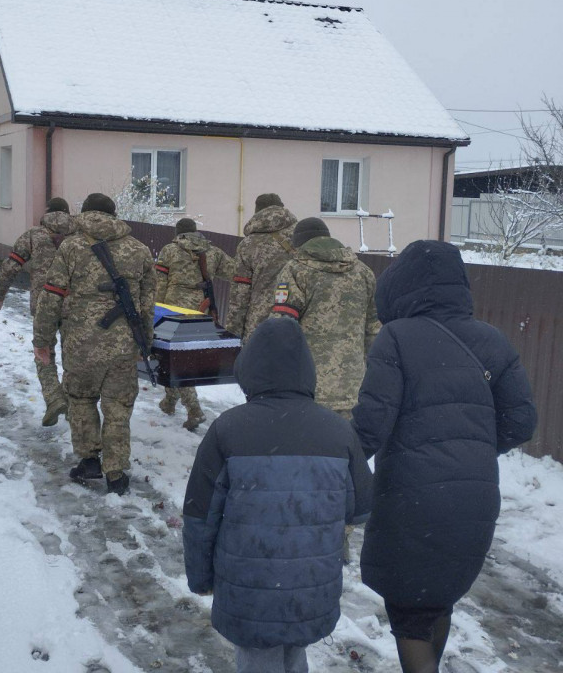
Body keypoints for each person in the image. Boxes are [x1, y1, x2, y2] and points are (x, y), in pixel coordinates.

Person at [351, 240, 537, 673]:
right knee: (438, 598)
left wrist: (327, 456)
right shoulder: (493, 339)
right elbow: (521, 423)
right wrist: (468, 449)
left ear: (401, 287)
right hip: (475, 498)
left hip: (411, 499)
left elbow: (370, 427)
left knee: (409, 615)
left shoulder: (396, 337)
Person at [183, 318, 372, 673]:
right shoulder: (338, 431)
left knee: (258, 659)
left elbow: (199, 516)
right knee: (293, 653)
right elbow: (360, 507)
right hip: (312, 588)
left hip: (249, 589)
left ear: (249, 370)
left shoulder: (227, 429)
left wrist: (201, 577)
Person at [32, 193, 155, 496]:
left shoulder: (71, 247)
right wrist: (145, 343)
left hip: (80, 343)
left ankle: (89, 460)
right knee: (117, 405)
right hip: (124, 344)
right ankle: (115, 473)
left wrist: (42, 340)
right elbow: (148, 304)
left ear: (84, 213)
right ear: (114, 215)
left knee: (81, 399)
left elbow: (51, 295)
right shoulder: (138, 250)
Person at [272, 217, 379, 419]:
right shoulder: (363, 272)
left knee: (310, 447)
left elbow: (281, 328)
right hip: (352, 387)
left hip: (307, 388)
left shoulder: (295, 271)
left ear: (299, 243)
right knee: (344, 446)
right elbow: (374, 329)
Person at [0, 197, 77, 427]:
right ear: (69, 213)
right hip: (74, 306)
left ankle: (53, 397)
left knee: (43, 350)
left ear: (47, 212)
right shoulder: (80, 237)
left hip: (43, 304)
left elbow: (11, 266)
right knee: (73, 356)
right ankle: (73, 405)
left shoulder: (33, 236)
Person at [155, 217, 235, 429]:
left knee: (172, 358)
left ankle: (194, 409)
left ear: (178, 233)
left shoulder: (169, 251)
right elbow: (236, 273)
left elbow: (159, 284)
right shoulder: (213, 251)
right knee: (185, 357)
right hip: (201, 308)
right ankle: (170, 402)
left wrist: (154, 310)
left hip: (173, 309)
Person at [225, 193, 297, 342]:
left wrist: (232, 336)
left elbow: (240, 296)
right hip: (296, 323)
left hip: (260, 328)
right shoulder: (301, 236)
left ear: (257, 211)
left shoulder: (248, 244)